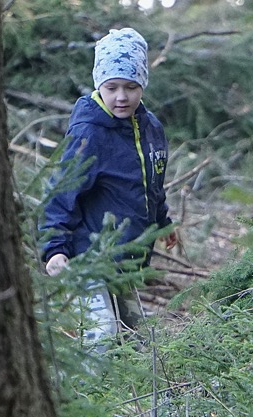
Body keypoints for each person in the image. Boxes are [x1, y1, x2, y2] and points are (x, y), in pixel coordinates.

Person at [40, 27, 177, 346]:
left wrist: (162, 221)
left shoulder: (150, 127)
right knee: (101, 331)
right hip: (87, 253)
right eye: (112, 86)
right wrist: (55, 248)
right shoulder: (89, 133)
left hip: (122, 257)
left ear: (142, 84)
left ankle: (131, 394)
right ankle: (84, 393)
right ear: (98, 84)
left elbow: (151, 181)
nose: (121, 96)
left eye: (131, 87)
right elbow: (61, 191)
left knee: (135, 335)